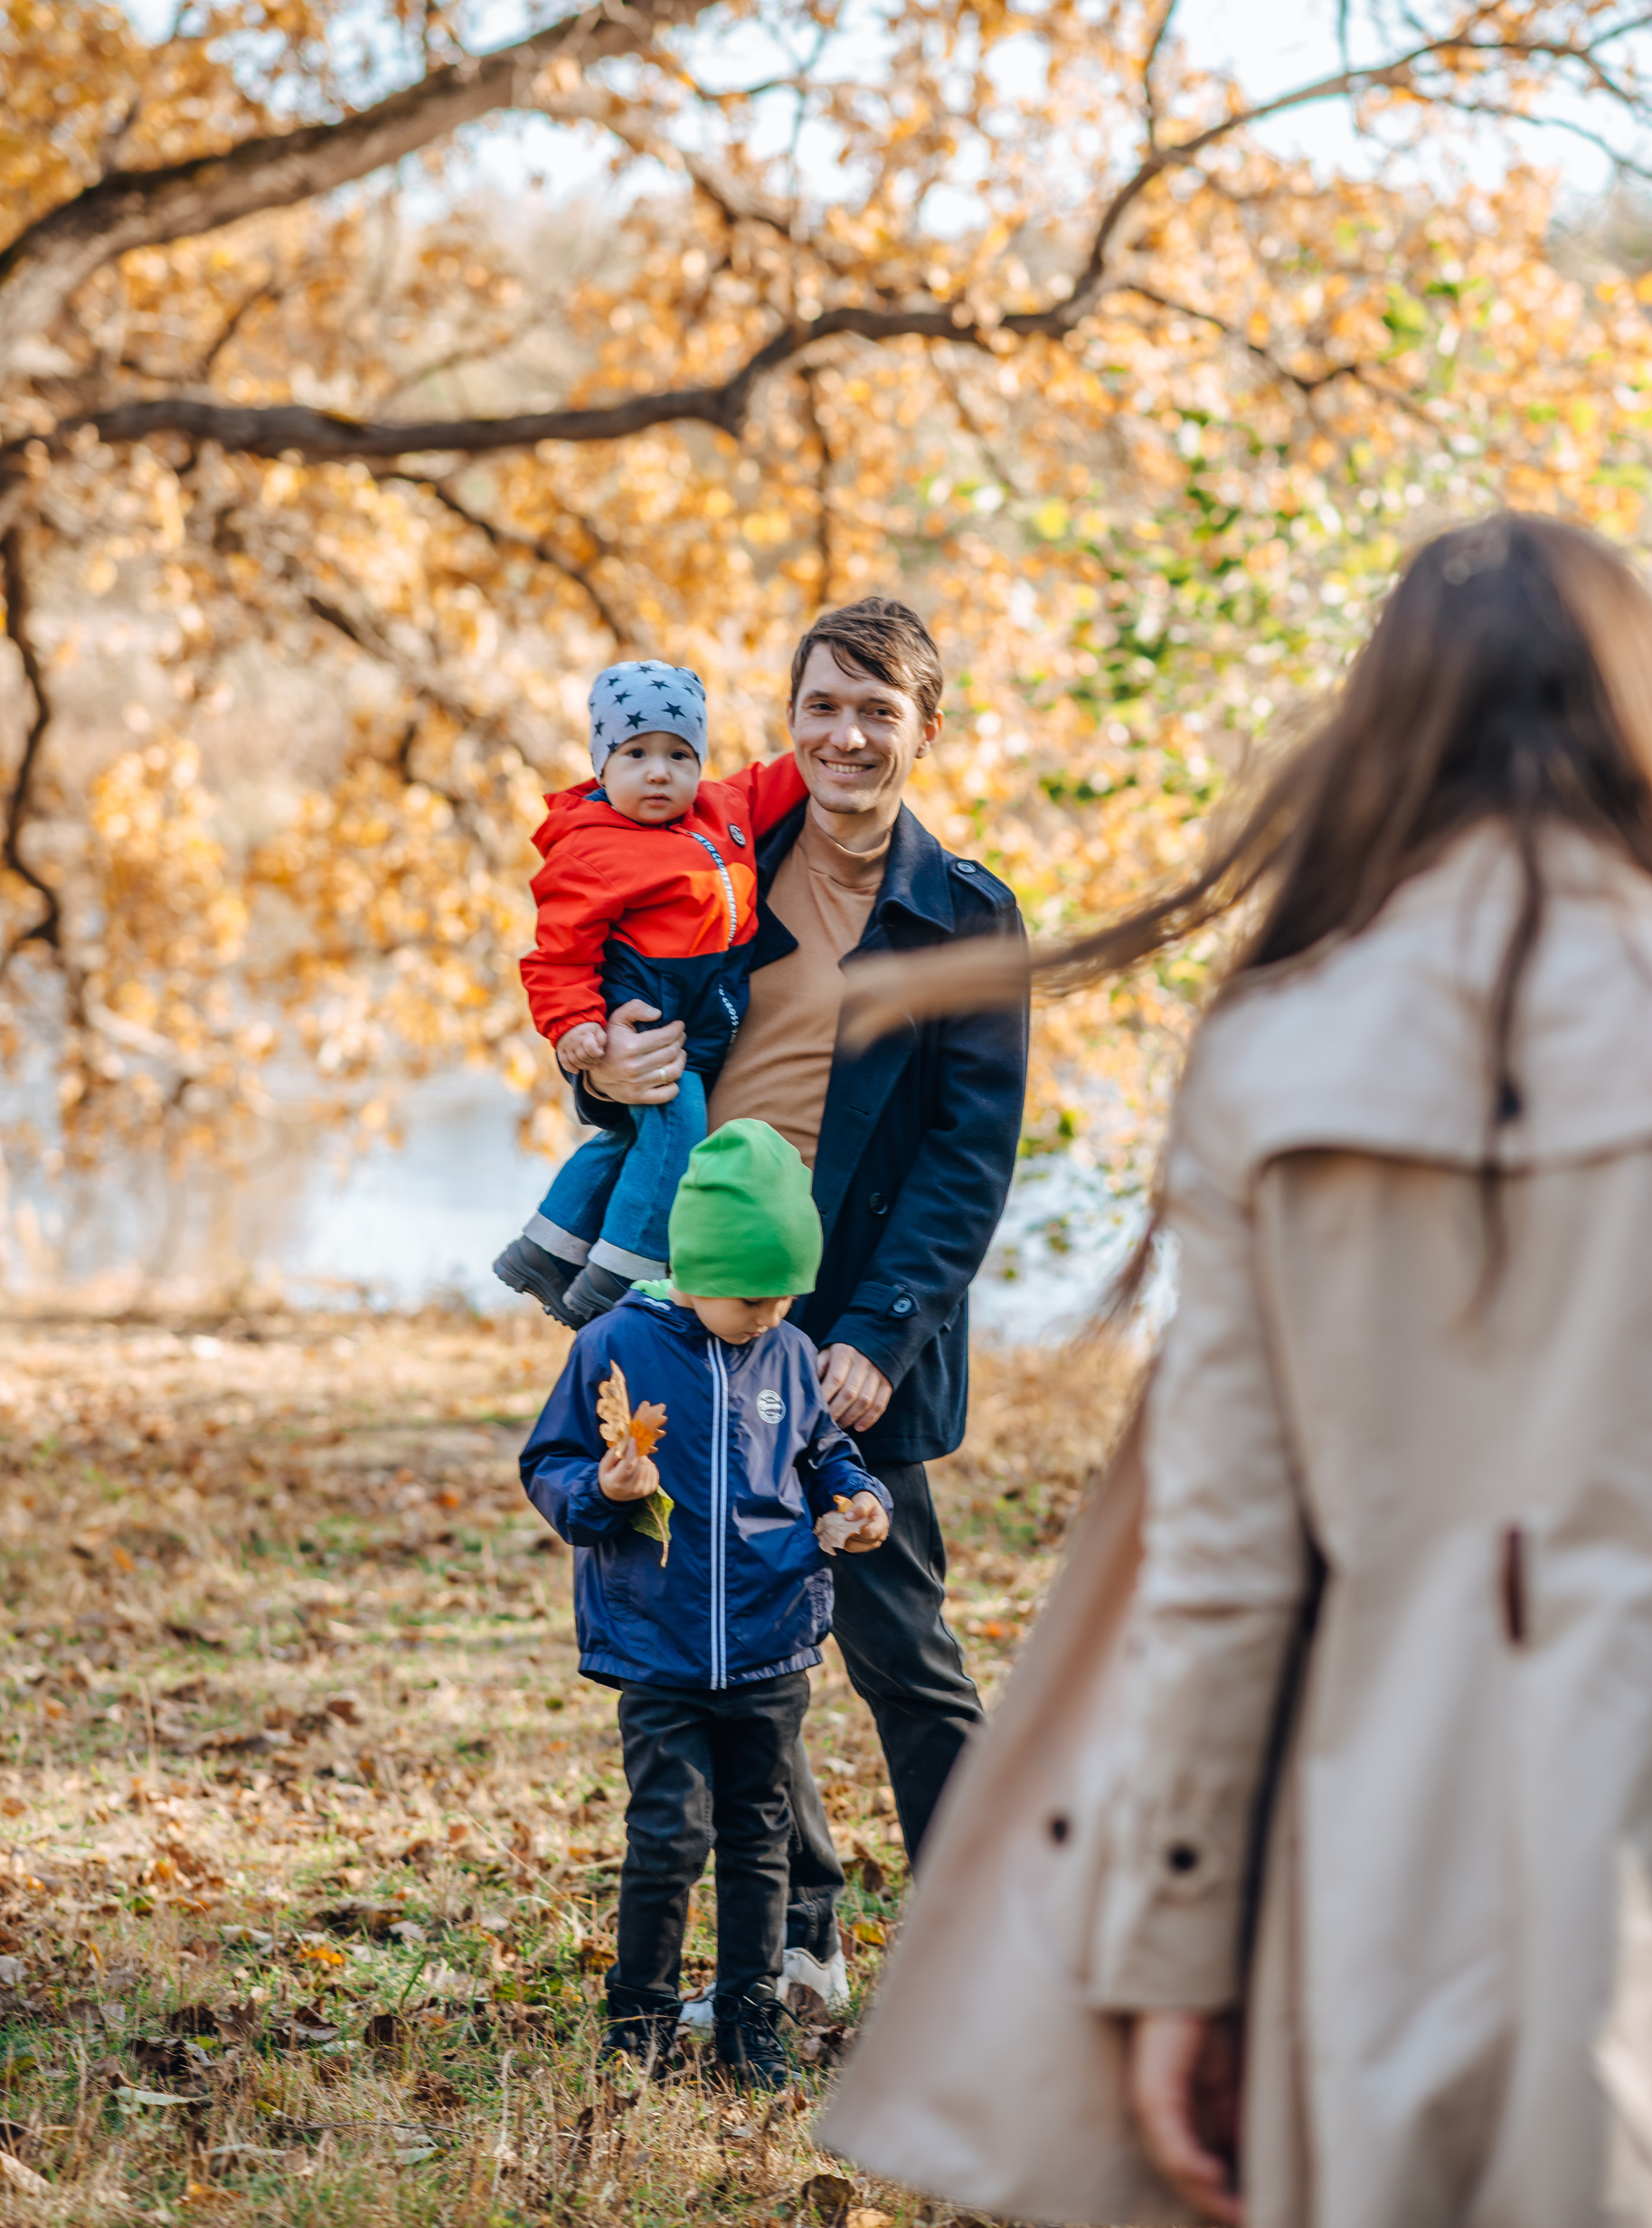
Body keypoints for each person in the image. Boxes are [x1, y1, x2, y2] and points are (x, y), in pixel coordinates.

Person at [826, 512, 1652, 2228]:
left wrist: (1171, 1949)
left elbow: (1221, 1576)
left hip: (1384, 1833)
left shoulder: (1279, 1054)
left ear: (1384, 728)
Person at [509, 597, 1029, 1994]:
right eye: (821, 708)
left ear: (926, 727)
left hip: (855, 1328)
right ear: (788, 724)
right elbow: (616, 1014)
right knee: (725, 1637)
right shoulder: (718, 856)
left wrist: (866, 1341)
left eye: (876, 710)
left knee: (899, 1650)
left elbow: (966, 1163)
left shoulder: (964, 915)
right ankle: (798, 1933)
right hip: (693, 1306)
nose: (846, 735)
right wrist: (596, 1063)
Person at [518, 1118, 891, 2086]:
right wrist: (605, 1491)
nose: (769, 1312)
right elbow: (550, 1463)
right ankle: (637, 2018)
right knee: (668, 1834)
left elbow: (826, 1457)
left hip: (771, 1641)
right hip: (659, 1643)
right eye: (751, 1293)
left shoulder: (789, 1352)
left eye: (784, 1294)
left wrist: (859, 1503)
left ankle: (748, 2020)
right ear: (691, 1266)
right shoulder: (614, 1343)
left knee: (758, 1836)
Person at [496, 658, 805, 1326]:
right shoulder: (591, 849)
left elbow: (787, 774)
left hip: (705, 1007)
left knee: (626, 1145)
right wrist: (575, 1025)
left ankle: (546, 1250)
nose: (659, 772)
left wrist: (821, 750)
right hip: (656, 1021)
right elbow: (556, 955)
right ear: (602, 765)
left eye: (678, 753)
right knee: (677, 1142)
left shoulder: (725, 809)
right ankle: (620, 1274)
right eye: (635, 753)